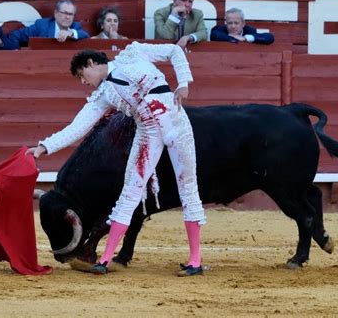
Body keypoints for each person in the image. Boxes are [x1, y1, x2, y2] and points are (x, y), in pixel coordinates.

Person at [27, 42, 207, 277]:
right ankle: (104, 259)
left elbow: (174, 50)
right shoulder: (103, 95)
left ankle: (195, 261)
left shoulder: (132, 54)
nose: (84, 83)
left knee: (188, 187)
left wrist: (183, 83)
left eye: (83, 75)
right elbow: (78, 127)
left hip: (176, 123)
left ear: (91, 63)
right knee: (130, 191)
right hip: (147, 131)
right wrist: (44, 146)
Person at [7, 0, 89, 48]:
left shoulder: (76, 26)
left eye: (70, 14)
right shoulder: (42, 25)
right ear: (56, 13)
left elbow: (85, 35)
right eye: (64, 13)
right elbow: (16, 35)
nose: (68, 17)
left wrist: (70, 33)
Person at [211, 8, 275, 44]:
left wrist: (245, 38)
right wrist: (234, 38)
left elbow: (269, 37)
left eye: (236, 23)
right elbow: (214, 35)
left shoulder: (249, 30)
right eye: (230, 23)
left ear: (243, 23)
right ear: (226, 23)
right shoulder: (219, 30)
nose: (233, 26)